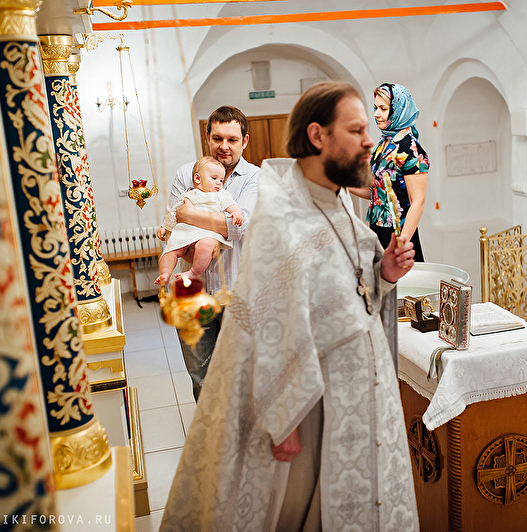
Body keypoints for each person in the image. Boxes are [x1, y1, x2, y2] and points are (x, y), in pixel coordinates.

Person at [159, 81, 419, 532]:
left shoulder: (336, 202)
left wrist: (385, 274)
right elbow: (268, 319)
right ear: (318, 136)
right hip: (311, 411)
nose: (369, 141)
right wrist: (283, 421)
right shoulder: (281, 213)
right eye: (357, 130)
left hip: (357, 402)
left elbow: (349, 294)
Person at [157, 106, 259, 401]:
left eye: (232, 139)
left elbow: (239, 227)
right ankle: (210, 430)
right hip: (192, 290)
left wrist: (190, 216)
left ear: (245, 141)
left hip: (237, 291)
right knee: (201, 374)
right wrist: (197, 224)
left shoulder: (255, 177)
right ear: (207, 137)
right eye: (217, 138)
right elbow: (174, 224)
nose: (224, 146)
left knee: (243, 374)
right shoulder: (186, 174)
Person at [349, 83, 430, 368]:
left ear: (399, 110)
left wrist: (402, 243)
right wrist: (342, 185)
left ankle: (409, 367)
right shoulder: (384, 145)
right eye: (375, 108)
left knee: (405, 308)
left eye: (383, 108)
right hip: (376, 231)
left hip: (398, 234)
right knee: (377, 301)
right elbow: (374, 192)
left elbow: (418, 202)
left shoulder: (412, 150)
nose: (376, 114)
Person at [154, 156, 243, 286]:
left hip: (207, 233)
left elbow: (231, 205)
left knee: (206, 244)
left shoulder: (221, 195)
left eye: (221, 180)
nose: (219, 183)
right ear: (197, 178)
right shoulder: (188, 194)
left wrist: (236, 213)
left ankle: (194, 272)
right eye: (214, 178)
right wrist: (164, 227)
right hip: (186, 232)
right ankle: (166, 273)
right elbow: (174, 212)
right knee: (171, 249)